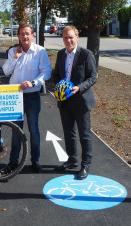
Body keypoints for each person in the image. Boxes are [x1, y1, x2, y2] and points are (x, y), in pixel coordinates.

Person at [2, 24, 51, 173]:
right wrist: (15, 58)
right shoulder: (12, 51)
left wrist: (33, 82)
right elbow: (6, 71)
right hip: (15, 97)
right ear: (18, 36)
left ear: (33, 35)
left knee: (33, 130)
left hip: (32, 97)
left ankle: (35, 161)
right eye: (22, 34)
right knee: (16, 130)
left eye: (28, 34)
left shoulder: (40, 51)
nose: (25, 37)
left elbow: (46, 71)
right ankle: (13, 162)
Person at [53, 26, 97, 180]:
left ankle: (85, 165)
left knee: (84, 134)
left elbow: (92, 77)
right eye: (65, 37)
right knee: (69, 133)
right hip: (65, 101)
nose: (68, 40)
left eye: (71, 37)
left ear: (77, 37)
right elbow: (56, 74)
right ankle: (72, 159)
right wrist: (58, 87)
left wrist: (80, 88)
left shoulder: (86, 54)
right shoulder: (60, 54)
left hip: (81, 100)